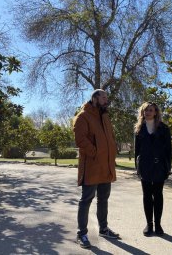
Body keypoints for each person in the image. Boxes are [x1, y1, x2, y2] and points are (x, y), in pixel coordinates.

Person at [73, 89, 119, 249]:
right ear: (94, 98)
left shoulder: (105, 117)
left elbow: (110, 138)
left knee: (103, 200)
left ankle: (104, 229)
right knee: (86, 200)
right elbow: (80, 140)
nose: (107, 99)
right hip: (92, 166)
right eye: (104, 97)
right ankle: (82, 234)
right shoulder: (83, 116)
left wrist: (113, 150)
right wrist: (96, 153)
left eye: (107, 96)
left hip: (106, 166)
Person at [134, 102, 172, 237]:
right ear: (143, 113)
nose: (148, 112)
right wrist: (137, 168)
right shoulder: (139, 129)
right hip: (144, 167)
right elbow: (136, 151)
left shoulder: (164, 128)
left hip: (159, 167)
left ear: (156, 112)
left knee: (158, 195)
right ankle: (149, 224)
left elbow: (169, 150)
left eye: (151, 110)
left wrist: (168, 168)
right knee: (147, 196)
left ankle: (158, 225)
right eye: (146, 110)